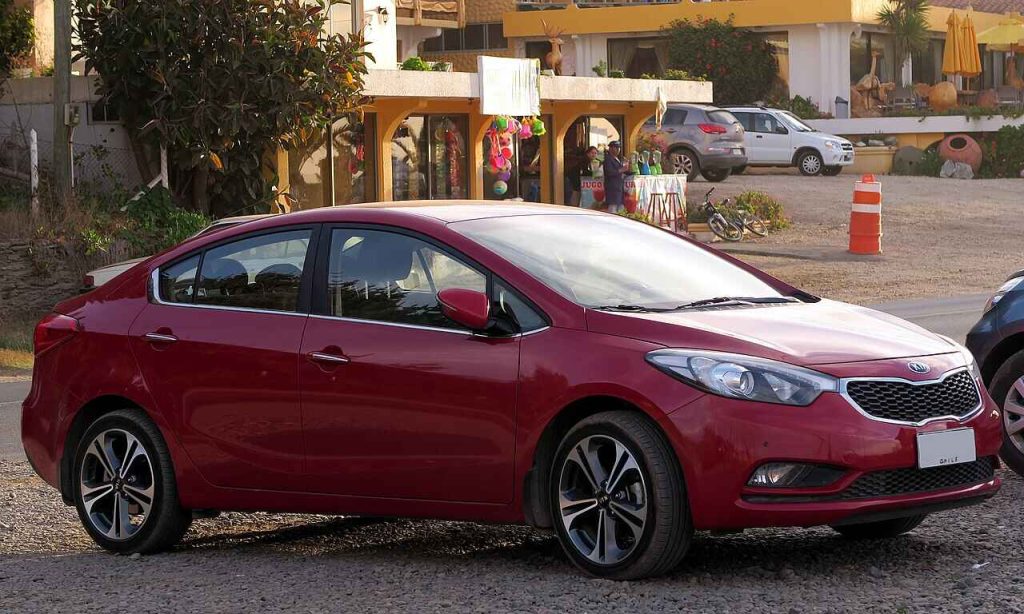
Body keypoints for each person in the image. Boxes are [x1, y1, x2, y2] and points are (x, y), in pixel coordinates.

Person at [603, 141, 625, 212]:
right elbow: (609, 172)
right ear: (611, 149)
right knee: (613, 210)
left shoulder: (618, 159)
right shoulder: (608, 159)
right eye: (616, 148)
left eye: (619, 148)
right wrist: (621, 170)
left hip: (619, 188)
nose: (618, 149)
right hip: (612, 188)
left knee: (620, 209)